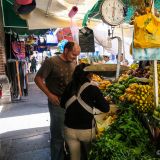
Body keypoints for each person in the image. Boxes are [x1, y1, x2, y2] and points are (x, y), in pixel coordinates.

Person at [34, 41, 81, 160]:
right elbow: (38, 79)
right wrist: (49, 94)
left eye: (77, 55)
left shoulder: (73, 62)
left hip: (71, 103)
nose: (75, 57)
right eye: (73, 54)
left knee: (70, 133)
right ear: (66, 50)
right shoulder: (51, 62)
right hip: (57, 103)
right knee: (58, 135)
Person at [60, 63, 110, 160]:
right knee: (90, 156)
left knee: (74, 157)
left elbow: (62, 104)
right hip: (86, 131)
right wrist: (93, 103)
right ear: (89, 74)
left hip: (69, 130)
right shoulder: (93, 89)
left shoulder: (69, 86)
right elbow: (106, 108)